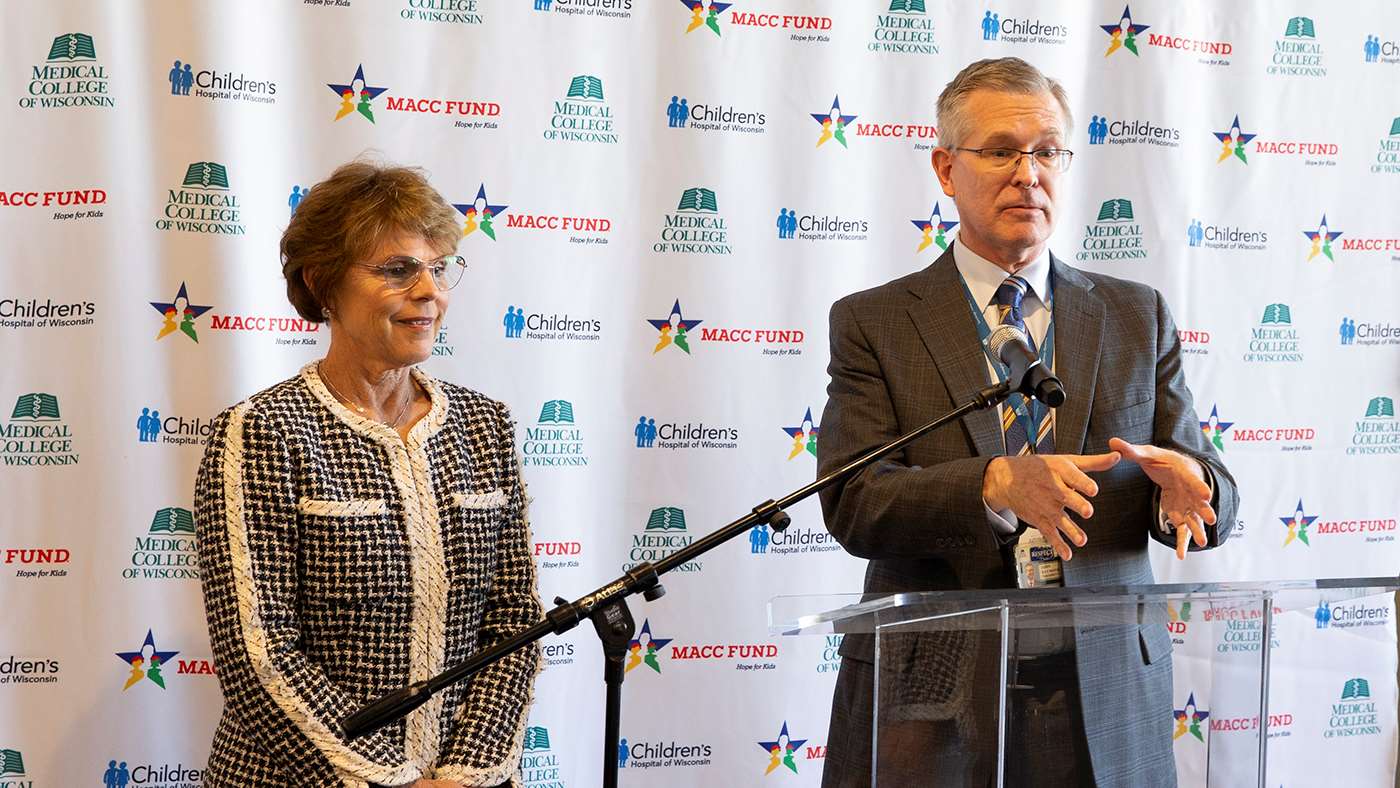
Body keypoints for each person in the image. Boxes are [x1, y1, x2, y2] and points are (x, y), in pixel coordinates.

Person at [818, 58, 1237, 788]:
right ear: (947, 169)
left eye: (1047, 151)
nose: (1028, 172)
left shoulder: (1137, 315)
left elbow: (1209, 485)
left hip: (1104, 699)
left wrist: (1194, 487)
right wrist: (994, 483)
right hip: (933, 700)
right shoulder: (875, 322)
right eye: (1001, 150)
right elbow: (855, 501)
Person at [195, 161, 542, 788]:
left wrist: (467, 773)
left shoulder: (484, 424)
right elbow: (260, 657)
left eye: (439, 268)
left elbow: (514, 620)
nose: (429, 290)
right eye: (397, 269)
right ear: (322, 283)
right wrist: (388, 782)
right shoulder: (263, 431)